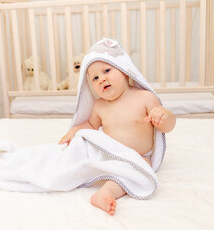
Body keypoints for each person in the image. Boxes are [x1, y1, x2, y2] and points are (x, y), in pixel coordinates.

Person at [59, 60, 176, 215]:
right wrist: (74, 130)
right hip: (110, 155)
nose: (101, 79)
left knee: (142, 168)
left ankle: (106, 192)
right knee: (75, 153)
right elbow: (90, 126)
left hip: (138, 156)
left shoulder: (145, 97)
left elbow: (167, 126)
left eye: (106, 71)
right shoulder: (99, 106)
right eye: (94, 78)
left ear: (124, 71)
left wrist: (164, 117)